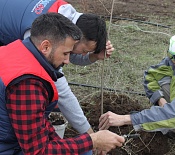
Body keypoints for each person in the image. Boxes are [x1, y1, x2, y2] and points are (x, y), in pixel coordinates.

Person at [0, 13, 124, 155]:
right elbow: (39, 151)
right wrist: (92, 140)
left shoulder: (16, 50)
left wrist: (85, 142)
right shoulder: (28, 83)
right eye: (65, 53)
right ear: (45, 46)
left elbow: (40, 123)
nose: (67, 61)